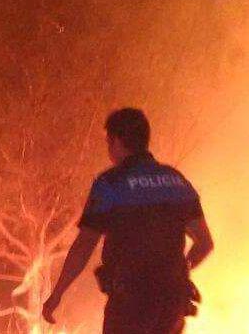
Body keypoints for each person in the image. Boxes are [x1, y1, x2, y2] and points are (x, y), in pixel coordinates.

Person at [43, 108, 215, 334]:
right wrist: (180, 270)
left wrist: (57, 294)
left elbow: (84, 246)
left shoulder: (111, 184)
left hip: (130, 303)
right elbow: (204, 243)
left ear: (115, 141)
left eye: (108, 142)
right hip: (171, 305)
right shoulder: (177, 181)